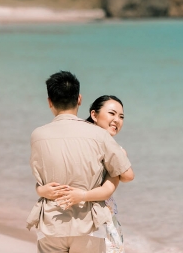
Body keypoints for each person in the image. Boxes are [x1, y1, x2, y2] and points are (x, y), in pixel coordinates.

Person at [28, 71, 134, 253]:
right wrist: (112, 171)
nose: (117, 120)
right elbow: (127, 175)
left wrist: (40, 189)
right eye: (112, 114)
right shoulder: (100, 137)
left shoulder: (37, 135)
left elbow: (41, 180)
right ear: (79, 99)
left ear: (49, 102)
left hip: (51, 224)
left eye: (121, 116)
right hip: (88, 226)